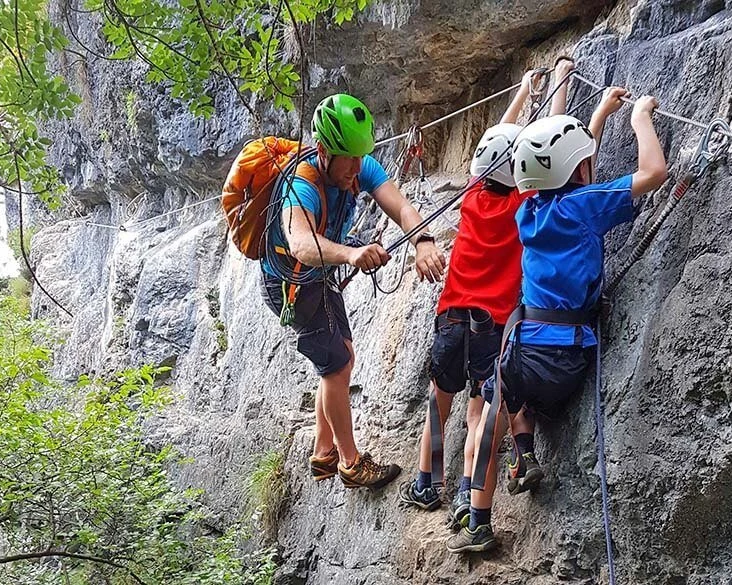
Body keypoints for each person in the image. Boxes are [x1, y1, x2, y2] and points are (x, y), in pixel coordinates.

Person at [446, 88, 668, 553]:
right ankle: (524, 458)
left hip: (522, 349)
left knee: (492, 420)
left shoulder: (527, 211)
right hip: (569, 355)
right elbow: (653, 173)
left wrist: (600, 114)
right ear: (580, 169)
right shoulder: (584, 208)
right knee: (515, 400)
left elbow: (566, 166)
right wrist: (640, 119)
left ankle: (479, 522)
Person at [398, 59, 575, 523]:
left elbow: (495, 141)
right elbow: (546, 151)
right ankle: (464, 493)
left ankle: (425, 483)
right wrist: (559, 84)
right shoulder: (523, 203)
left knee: (439, 406)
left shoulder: (473, 196)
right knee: (478, 415)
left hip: (451, 316)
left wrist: (521, 91)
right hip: (492, 324)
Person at [261, 93, 447, 489]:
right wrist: (351, 253)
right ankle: (349, 463)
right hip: (289, 282)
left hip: (317, 276)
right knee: (338, 362)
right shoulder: (302, 185)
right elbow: (301, 245)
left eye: (362, 158)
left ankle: (324, 451)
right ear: (325, 151)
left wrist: (424, 241)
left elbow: (400, 207)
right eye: (350, 159)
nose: (358, 169)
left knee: (339, 356)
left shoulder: (359, 165)